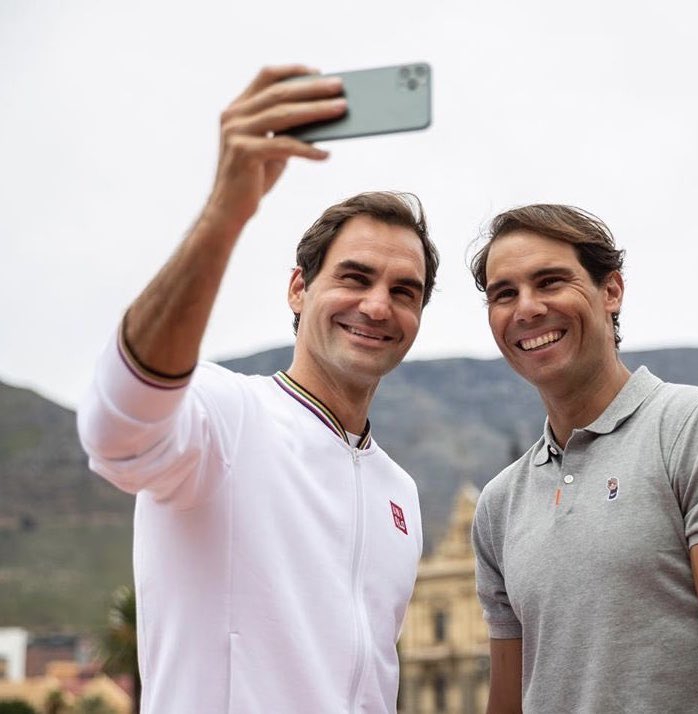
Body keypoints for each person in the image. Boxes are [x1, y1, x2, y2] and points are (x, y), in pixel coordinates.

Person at [76, 65, 440, 713]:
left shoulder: (401, 494)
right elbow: (116, 431)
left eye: (403, 291)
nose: (378, 306)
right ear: (299, 289)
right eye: (354, 278)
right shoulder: (226, 415)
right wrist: (227, 210)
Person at [468, 204, 698, 713]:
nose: (527, 308)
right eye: (504, 294)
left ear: (611, 291)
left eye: (550, 282)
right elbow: (509, 702)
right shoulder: (499, 505)